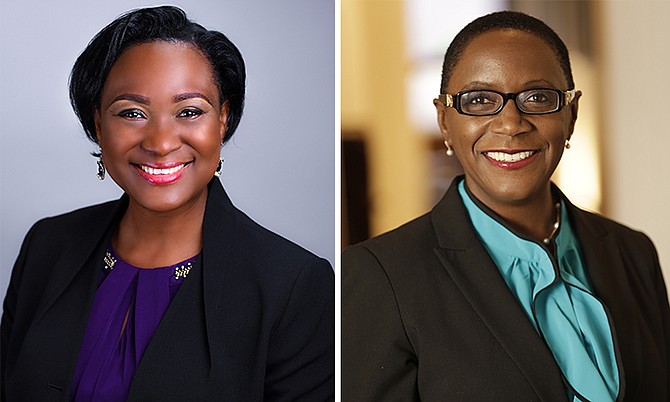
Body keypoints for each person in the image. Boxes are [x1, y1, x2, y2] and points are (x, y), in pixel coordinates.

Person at [1, 6, 334, 401]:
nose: (161, 143)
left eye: (189, 112)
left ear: (223, 120)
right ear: (97, 124)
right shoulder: (47, 245)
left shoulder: (294, 287)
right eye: (132, 113)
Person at [343, 10, 669, 402]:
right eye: (479, 100)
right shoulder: (379, 276)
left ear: (572, 114)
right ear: (445, 120)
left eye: (537, 97)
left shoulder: (633, 252)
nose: (511, 123)